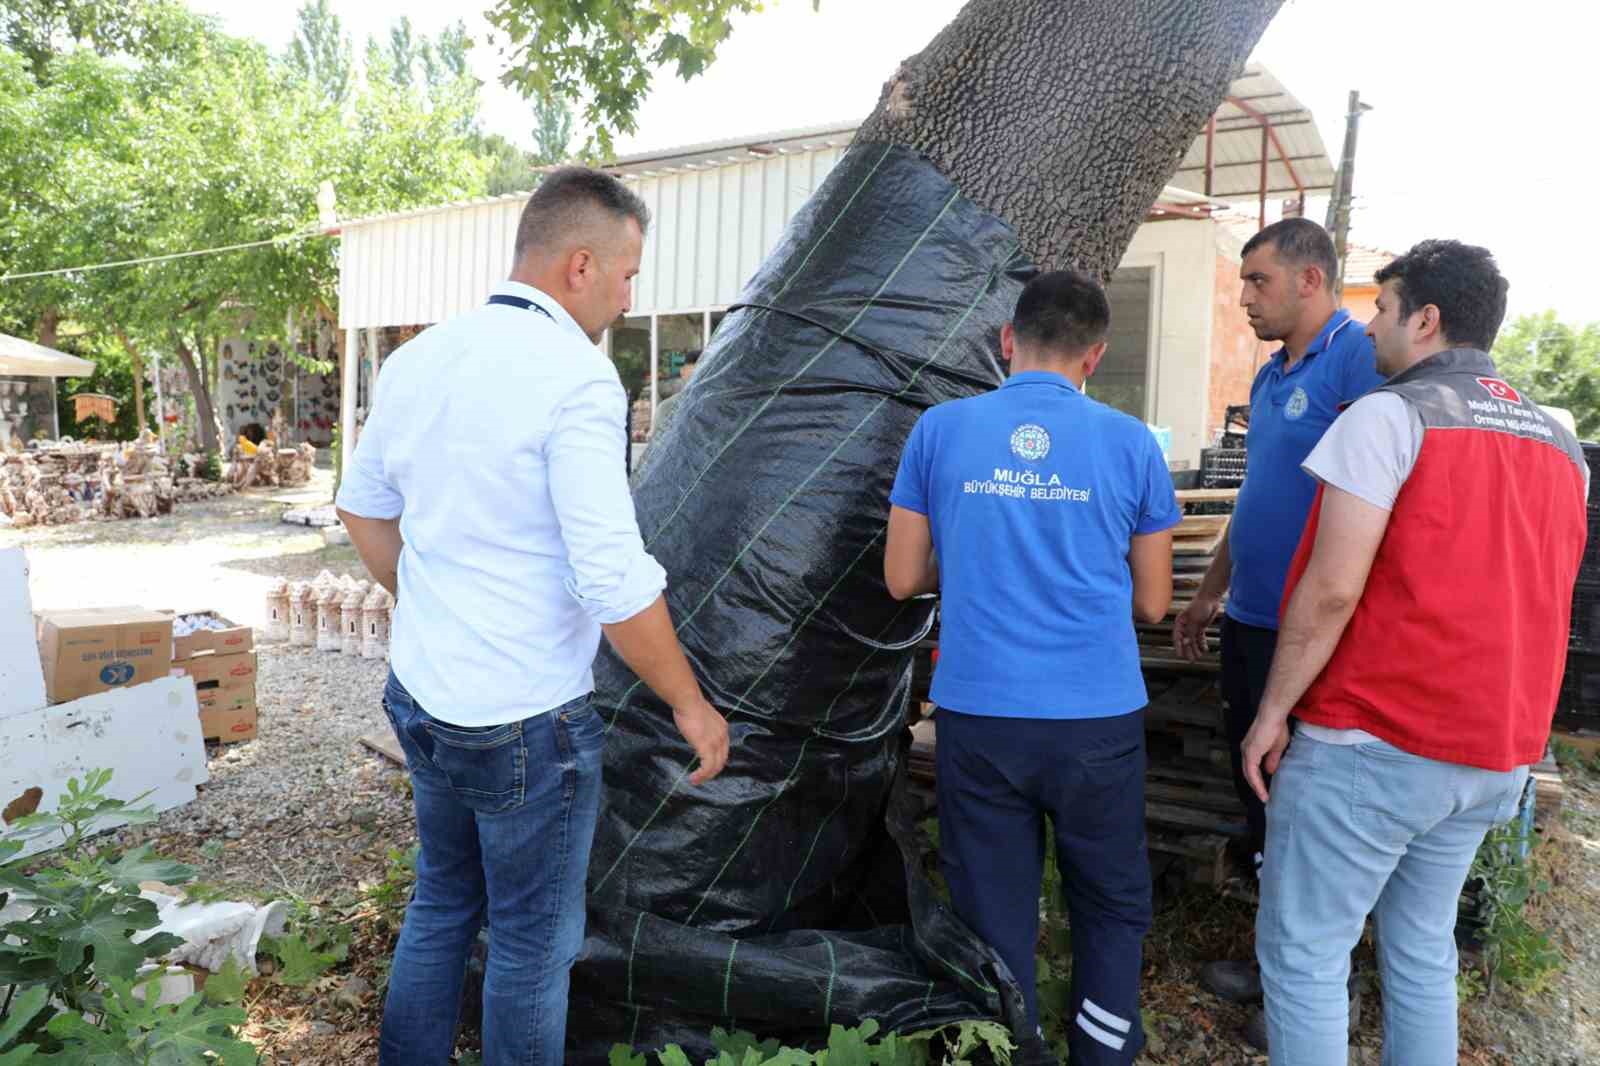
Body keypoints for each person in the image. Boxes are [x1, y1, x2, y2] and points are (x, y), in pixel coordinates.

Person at [336, 167, 730, 1066]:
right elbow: (611, 577)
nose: (631, 299)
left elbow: (361, 509)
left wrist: (431, 603)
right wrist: (690, 705)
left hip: (425, 699)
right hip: (523, 723)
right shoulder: (578, 381)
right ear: (580, 265)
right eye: (629, 275)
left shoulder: (419, 357)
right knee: (529, 946)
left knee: (440, 901)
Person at [1240, 239, 1588, 1065]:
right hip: (1491, 749)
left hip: (1376, 737)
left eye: (1383, 309)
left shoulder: (1388, 418)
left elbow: (1331, 591)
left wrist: (1272, 712)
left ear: (1425, 320)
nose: (1369, 329)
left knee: (1305, 955)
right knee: (1423, 948)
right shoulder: (1560, 447)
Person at [884, 270, 1180, 1066]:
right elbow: (1153, 600)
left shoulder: (939, 432)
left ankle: (1010, 1051)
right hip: (1097, 718)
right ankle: (1103, 1052)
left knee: (990, 908)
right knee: (1110, 902)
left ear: (1009, 341)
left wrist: (979, 559)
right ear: (1095, 356)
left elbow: (902, 577)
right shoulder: (1132, 444)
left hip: (981, 717)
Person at [1170, 218, 1382, 1043]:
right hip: (1251, 621)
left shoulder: (1356, 360)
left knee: (1311, 812)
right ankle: (1273, 970)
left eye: (1258, 281)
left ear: (1310, 279)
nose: (1245, 296)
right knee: (1261, 802)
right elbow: (1257, 498)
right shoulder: (1269, 376)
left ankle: (1325, 987)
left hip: (1314, 635)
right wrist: (1207, 594)